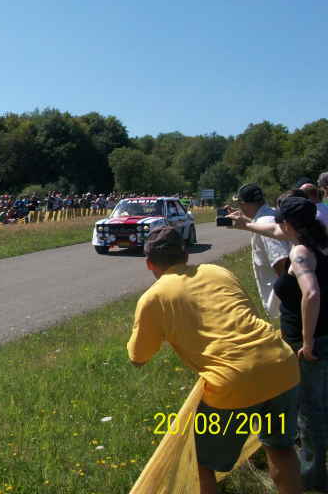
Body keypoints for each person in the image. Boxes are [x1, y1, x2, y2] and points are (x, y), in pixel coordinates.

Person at [128, 226, 302, 494]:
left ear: (149, 263)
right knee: (281, 447)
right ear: (185, 255)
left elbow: (138, 358)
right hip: (281, 363)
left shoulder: (154, 297)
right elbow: (248, 315)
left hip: (233, 383)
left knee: (200, 463)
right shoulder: (218, 271)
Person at [232, 195, 328, 490]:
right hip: (323, 337)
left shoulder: (300, 253)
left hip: (309, 344)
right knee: (320, 403)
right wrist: (247, 225)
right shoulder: (317, 239)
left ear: (289, 224)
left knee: (310, 411)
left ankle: (313, 477)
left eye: (280, 222)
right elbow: (274, 232)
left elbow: (311, 294)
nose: (277, 227)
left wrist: (307, 342)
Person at [226, 183, 291, 319]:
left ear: (244, 204)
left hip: (285, 304)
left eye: (239, 204)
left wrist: (289, 305)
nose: (239, 208)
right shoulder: (270, 214)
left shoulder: (263, 223)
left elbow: (282, 263)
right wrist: (246, 221)